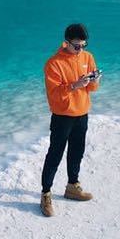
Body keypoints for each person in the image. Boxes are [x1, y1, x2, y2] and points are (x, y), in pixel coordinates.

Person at [40, 23, 100, 217]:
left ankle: (72, 186)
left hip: (82, 113)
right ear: (66, 43)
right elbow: (54, 95)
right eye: (76, 46)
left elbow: (92, 89)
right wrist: (74, 85)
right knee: (55, 154)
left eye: (84, 45)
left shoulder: (88, 57)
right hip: (62, 116)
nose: (80, 49)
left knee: (77, 152)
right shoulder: (53, 63)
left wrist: (94, 80)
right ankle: (46, 193)